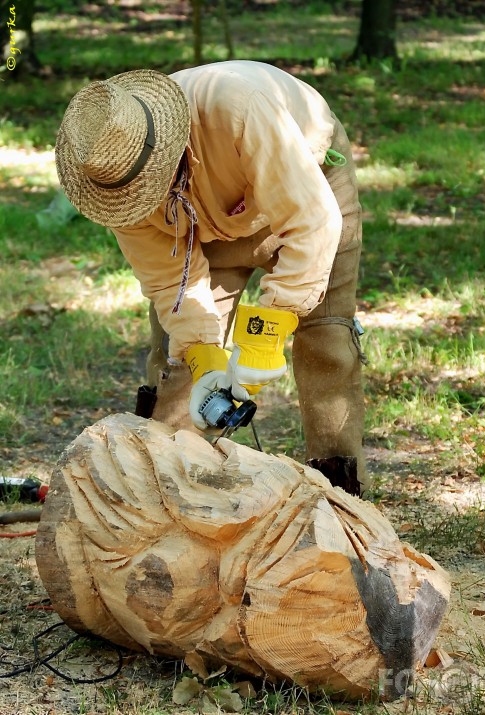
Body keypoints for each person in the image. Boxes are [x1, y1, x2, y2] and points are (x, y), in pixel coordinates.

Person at [55, 60, 368, 496]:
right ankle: (165, 485)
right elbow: (171, 284)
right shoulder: (114, 182)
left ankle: (340, 490)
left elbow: (312, 223)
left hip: (308, 180)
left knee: (325, 338)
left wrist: (266, 332)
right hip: (209, 214)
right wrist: (204, 357)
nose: (140, 201)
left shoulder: (240, 110)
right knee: (179, 358)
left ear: (171, 149)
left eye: (147, 188)